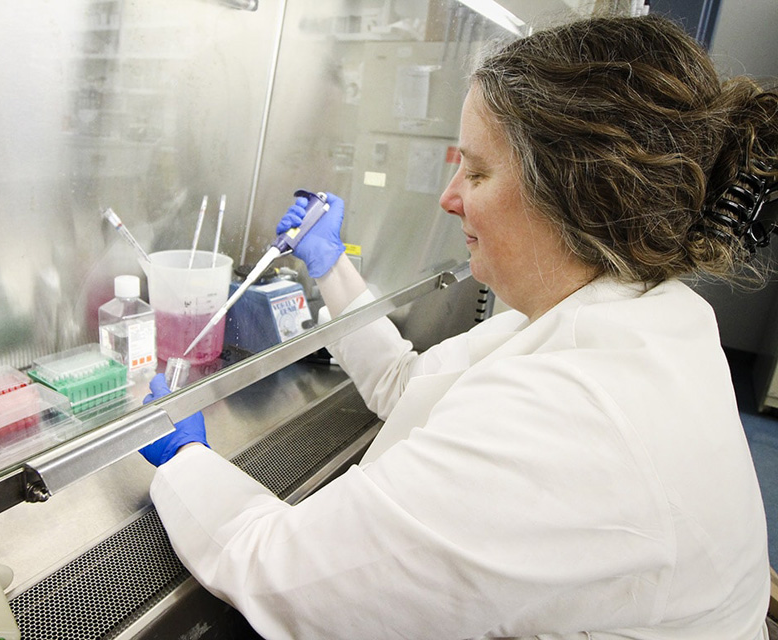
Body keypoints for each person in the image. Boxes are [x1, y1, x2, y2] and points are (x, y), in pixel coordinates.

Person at [139, 14, 778, 639]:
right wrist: (331, 267)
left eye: (476, 172)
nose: (449, 198)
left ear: (574, 195)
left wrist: (185, 460)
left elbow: (284, 578)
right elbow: (409, 385)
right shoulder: (633, 312)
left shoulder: (564, 420)